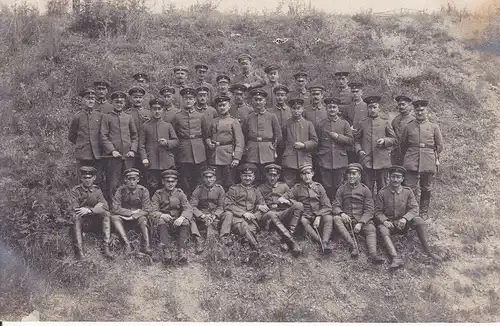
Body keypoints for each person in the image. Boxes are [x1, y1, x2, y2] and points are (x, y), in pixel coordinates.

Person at [375, 165, 441, 268]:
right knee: (382, 230)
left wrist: (405, 218)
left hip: (405, 223)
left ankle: (429, 251)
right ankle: (395, 258)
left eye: (398, 177)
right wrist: (384, 221)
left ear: (402, 179)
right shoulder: (382, 193)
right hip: (390, 224)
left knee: (419, 221)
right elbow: (377, 211)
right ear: (389, 177)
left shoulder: (408, 191)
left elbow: (414, 208)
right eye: (393, 177)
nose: (395, 180)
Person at [332, 163, 385, 263]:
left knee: (371, 228)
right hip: (347, 220)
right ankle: (353, 246)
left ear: (359, 175)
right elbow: (335, 205)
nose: (351, 176)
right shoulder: (342, 189)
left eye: (354, 174)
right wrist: (342, 213)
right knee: (336, 219)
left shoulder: (365, 190)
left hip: (362, 220)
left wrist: (361, 223)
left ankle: (373, 254)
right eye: (349, 174)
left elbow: (369, 210)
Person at [399, 100, 443, 219]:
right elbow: (402, 145)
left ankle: (423, 212)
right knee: (409, 186)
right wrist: (410, 154)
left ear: (426, 111)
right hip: (411, 159)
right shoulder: (409, 126)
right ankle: (412, 211)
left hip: (428, 160)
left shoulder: (434, 127)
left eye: (422, 110)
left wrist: (431, 155)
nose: (419, 112)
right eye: (417, 110)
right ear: (414, 111)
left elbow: (439, 146)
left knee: (426, 187)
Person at [280, 164, 334, 253]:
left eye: (308, 173)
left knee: (329, 218)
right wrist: (291, 202)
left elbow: (327, 206)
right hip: (305, 216)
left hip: (318, 215)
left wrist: (319, 216)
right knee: (303, 221)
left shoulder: (319, 187)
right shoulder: (297, 188)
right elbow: (282, 198)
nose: (306, 176)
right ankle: (320, 242)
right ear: (301, 176)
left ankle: (325, 242)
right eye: (304, 174)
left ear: (312, 174)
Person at [151, 169, 197, 265]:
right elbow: (152, 210)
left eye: (173, 181)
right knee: (161, 221)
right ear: (163, 182)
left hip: (177, 221)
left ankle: (182, 250)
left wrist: (182, 217)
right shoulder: (158, 194)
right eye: (168, 181)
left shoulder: (180, 193)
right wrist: (162, 215)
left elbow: (188, 208)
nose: (170, 184)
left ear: (176, 182)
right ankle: (166, 250)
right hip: (165, 221)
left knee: (186, 222)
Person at [355, 96, 397, 195]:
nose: (372, 110)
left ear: (379, 108)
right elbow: (356, 141)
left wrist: (384, 140)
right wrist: (359, 150)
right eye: (370, 107)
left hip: (382, 160)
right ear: (367, 109)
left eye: (374, 107)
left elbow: (394, 139)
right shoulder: (362, 123)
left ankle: (381, 208)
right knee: (367, 186)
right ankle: (369, 208)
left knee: (382, 186)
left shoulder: (385, 122)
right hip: (366, 160)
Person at [221, 163, 268, 252]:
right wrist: (243, 213)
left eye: (250, 176)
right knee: (244, 227)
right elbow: (228, 204)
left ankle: (247, 252)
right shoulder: (234, 189)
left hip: (252, 220)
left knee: (249, 231)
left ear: (253, 177)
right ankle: (257, 249)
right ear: (241, 176)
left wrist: (255, 215)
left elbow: (263, 206)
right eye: (245, 176)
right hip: (237, 219)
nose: (247, 178)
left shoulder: (256, 190)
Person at [257, 164, 302, 256]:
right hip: (268, 215)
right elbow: (257, 202)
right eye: (270, 175)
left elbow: (293, 199)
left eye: (274, 175)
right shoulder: (260, 188)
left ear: (278, 176)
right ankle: (291, 242)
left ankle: (290, 234)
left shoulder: (284, 186)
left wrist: (288, 201)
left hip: (282, 212)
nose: (272, 178)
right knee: (271, 214)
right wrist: (259, 206)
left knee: (299, 205)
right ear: (266, 175)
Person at [171, 87, 209, 195]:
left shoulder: (201, 116)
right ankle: (186, 201)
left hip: (198, 150)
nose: (188, 101)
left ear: (194, 100)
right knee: (184, 178)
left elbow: (206, 134)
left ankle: (197, 201)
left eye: (190, 98)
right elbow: (174, 134)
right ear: (182, 100)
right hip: (184, 150)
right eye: (186, 98)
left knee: (198, 178)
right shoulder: (177, 116)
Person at [100, 91, 138, 199]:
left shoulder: (128, 117)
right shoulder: (107, 117)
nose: (119, 104)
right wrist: (112, 150)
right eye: (117, 102)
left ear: (125, 103)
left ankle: (127, 205)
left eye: (121, 102)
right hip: (113, 157)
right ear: (112, 102)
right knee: (113, 183)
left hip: (128, 156)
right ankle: (114, 207)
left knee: (129, 181)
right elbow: (103, 136)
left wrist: (133, 150)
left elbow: (135, 136)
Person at [69, 166, 112, 260]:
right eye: (85, 178)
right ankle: (79, 252)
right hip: (82, 223)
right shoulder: (75, 191)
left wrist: (89, 210)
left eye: (89, 178)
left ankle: (106, 247)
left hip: (95, 222)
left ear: (94, 178)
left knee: (106, 214)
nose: (87, 180)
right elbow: (76, 209)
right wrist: (97, 207)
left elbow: (105, 207)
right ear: (81, 178)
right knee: (76, 216)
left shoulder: (97, 190)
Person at [139, 98, 179, 195]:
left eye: (159, 109)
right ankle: (154, 206)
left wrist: (167, 143)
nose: (157, 111)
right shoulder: (145, 126)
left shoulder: (167, 125)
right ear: (151, 110)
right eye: (154, 109)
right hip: (152, 161)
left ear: (162, 110)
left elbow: (176, 141)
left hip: (166, 161)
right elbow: (141, 145)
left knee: (168, 184)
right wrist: (144, 158)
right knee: (153, 185)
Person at [317, 97, 354, 199]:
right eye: (330, 107)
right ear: (326, 109)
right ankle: (328, 206)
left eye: (334, 107)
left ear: (338, 109)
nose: (332, 109)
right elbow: (318, 142)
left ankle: (339, 206)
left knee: (340, 185)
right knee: (327, 185)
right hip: (325, 159)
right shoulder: (321, 124)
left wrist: (338, 137)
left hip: (340, 159)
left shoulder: (344, 123)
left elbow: (351, 141)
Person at [242, 89, 282, 182]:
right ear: (252, 101)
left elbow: (278, 135)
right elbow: (244, 134)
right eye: (256, 99)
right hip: (252, 150)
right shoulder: (248, 117)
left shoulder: (272, 116)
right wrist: (248, 147)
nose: (258, 102)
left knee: (267, 175)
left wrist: (273, 148)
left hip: (268, 150)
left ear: (265, 101)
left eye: (260, 99)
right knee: (253, 176)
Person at [110, 168, 152, 255]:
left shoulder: (143, 191)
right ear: (125, 180)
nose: (132, 182)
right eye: (129, 179)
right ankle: (127, 244)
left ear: (138, 180)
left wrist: (134, 216)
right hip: (124, 218)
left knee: (143, 219)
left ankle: (146, 246)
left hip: (138, 218)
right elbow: (115, 208)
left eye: (134, 179)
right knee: (114, 217)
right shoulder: (120, 190)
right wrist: (131, 213)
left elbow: (147, 209)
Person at [206, 95, 244, 189]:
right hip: (215, 155)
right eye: (220, 105)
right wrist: (209, 142)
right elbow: (207, 136)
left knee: (229, 182)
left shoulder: (233, 121)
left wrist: (236, 158)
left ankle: (229, 202)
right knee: (216, 182)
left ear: (229, 106)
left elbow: (240, 140)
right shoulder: (214, 121)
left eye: (224, 105)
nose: (222, 107)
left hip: (228, 156)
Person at [68, 88, 105, 186]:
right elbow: (71, 136)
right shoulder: (78, 116)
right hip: (83, 153)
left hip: (97, 153)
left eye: (92, 99)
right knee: (82, 178)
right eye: (88, 98)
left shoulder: (100, 115)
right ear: (83, 100)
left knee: (97, 179)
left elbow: (103, 133)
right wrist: (81, 144)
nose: (91, 101)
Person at [281, 98, 318, 186]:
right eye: (294, 108)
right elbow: (282, 141)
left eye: (298, 108)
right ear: (290, 109)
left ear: (302, 109)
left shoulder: (308, 124)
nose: (296, 111)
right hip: (290, 160)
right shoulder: (286, 124)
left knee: (306, 184)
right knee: (289, 184)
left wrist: (304, 145)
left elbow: (315, 141)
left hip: (304, 158)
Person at [189, 167, 226, 254]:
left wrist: (214, 215)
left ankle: (223, 238)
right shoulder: (198, 190)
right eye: (206, 177)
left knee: (228, 214)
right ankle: (198, 239)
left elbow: (221, 207)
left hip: (215, 214)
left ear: (215, 178)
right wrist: (202, 215)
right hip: (202, 214)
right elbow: (192, 206)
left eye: (211, 177)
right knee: (189, 216)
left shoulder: (220, 189)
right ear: (203, 178)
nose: (209, 180)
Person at [268, 85, 292, 164]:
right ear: (275, 96)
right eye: (278, 95)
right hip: (274, 144)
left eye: (282, 95)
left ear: (286, 97)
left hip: (288, 144)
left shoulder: (291, 110)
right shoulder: (270, 111)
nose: (280, 97)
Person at [391, 95, 415, 165]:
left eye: (403, 104)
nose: (401, 107)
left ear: (409, 106)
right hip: (396, 153)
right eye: (399, 105)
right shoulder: (395, 120)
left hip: (409, 153)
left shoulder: (413, 120)